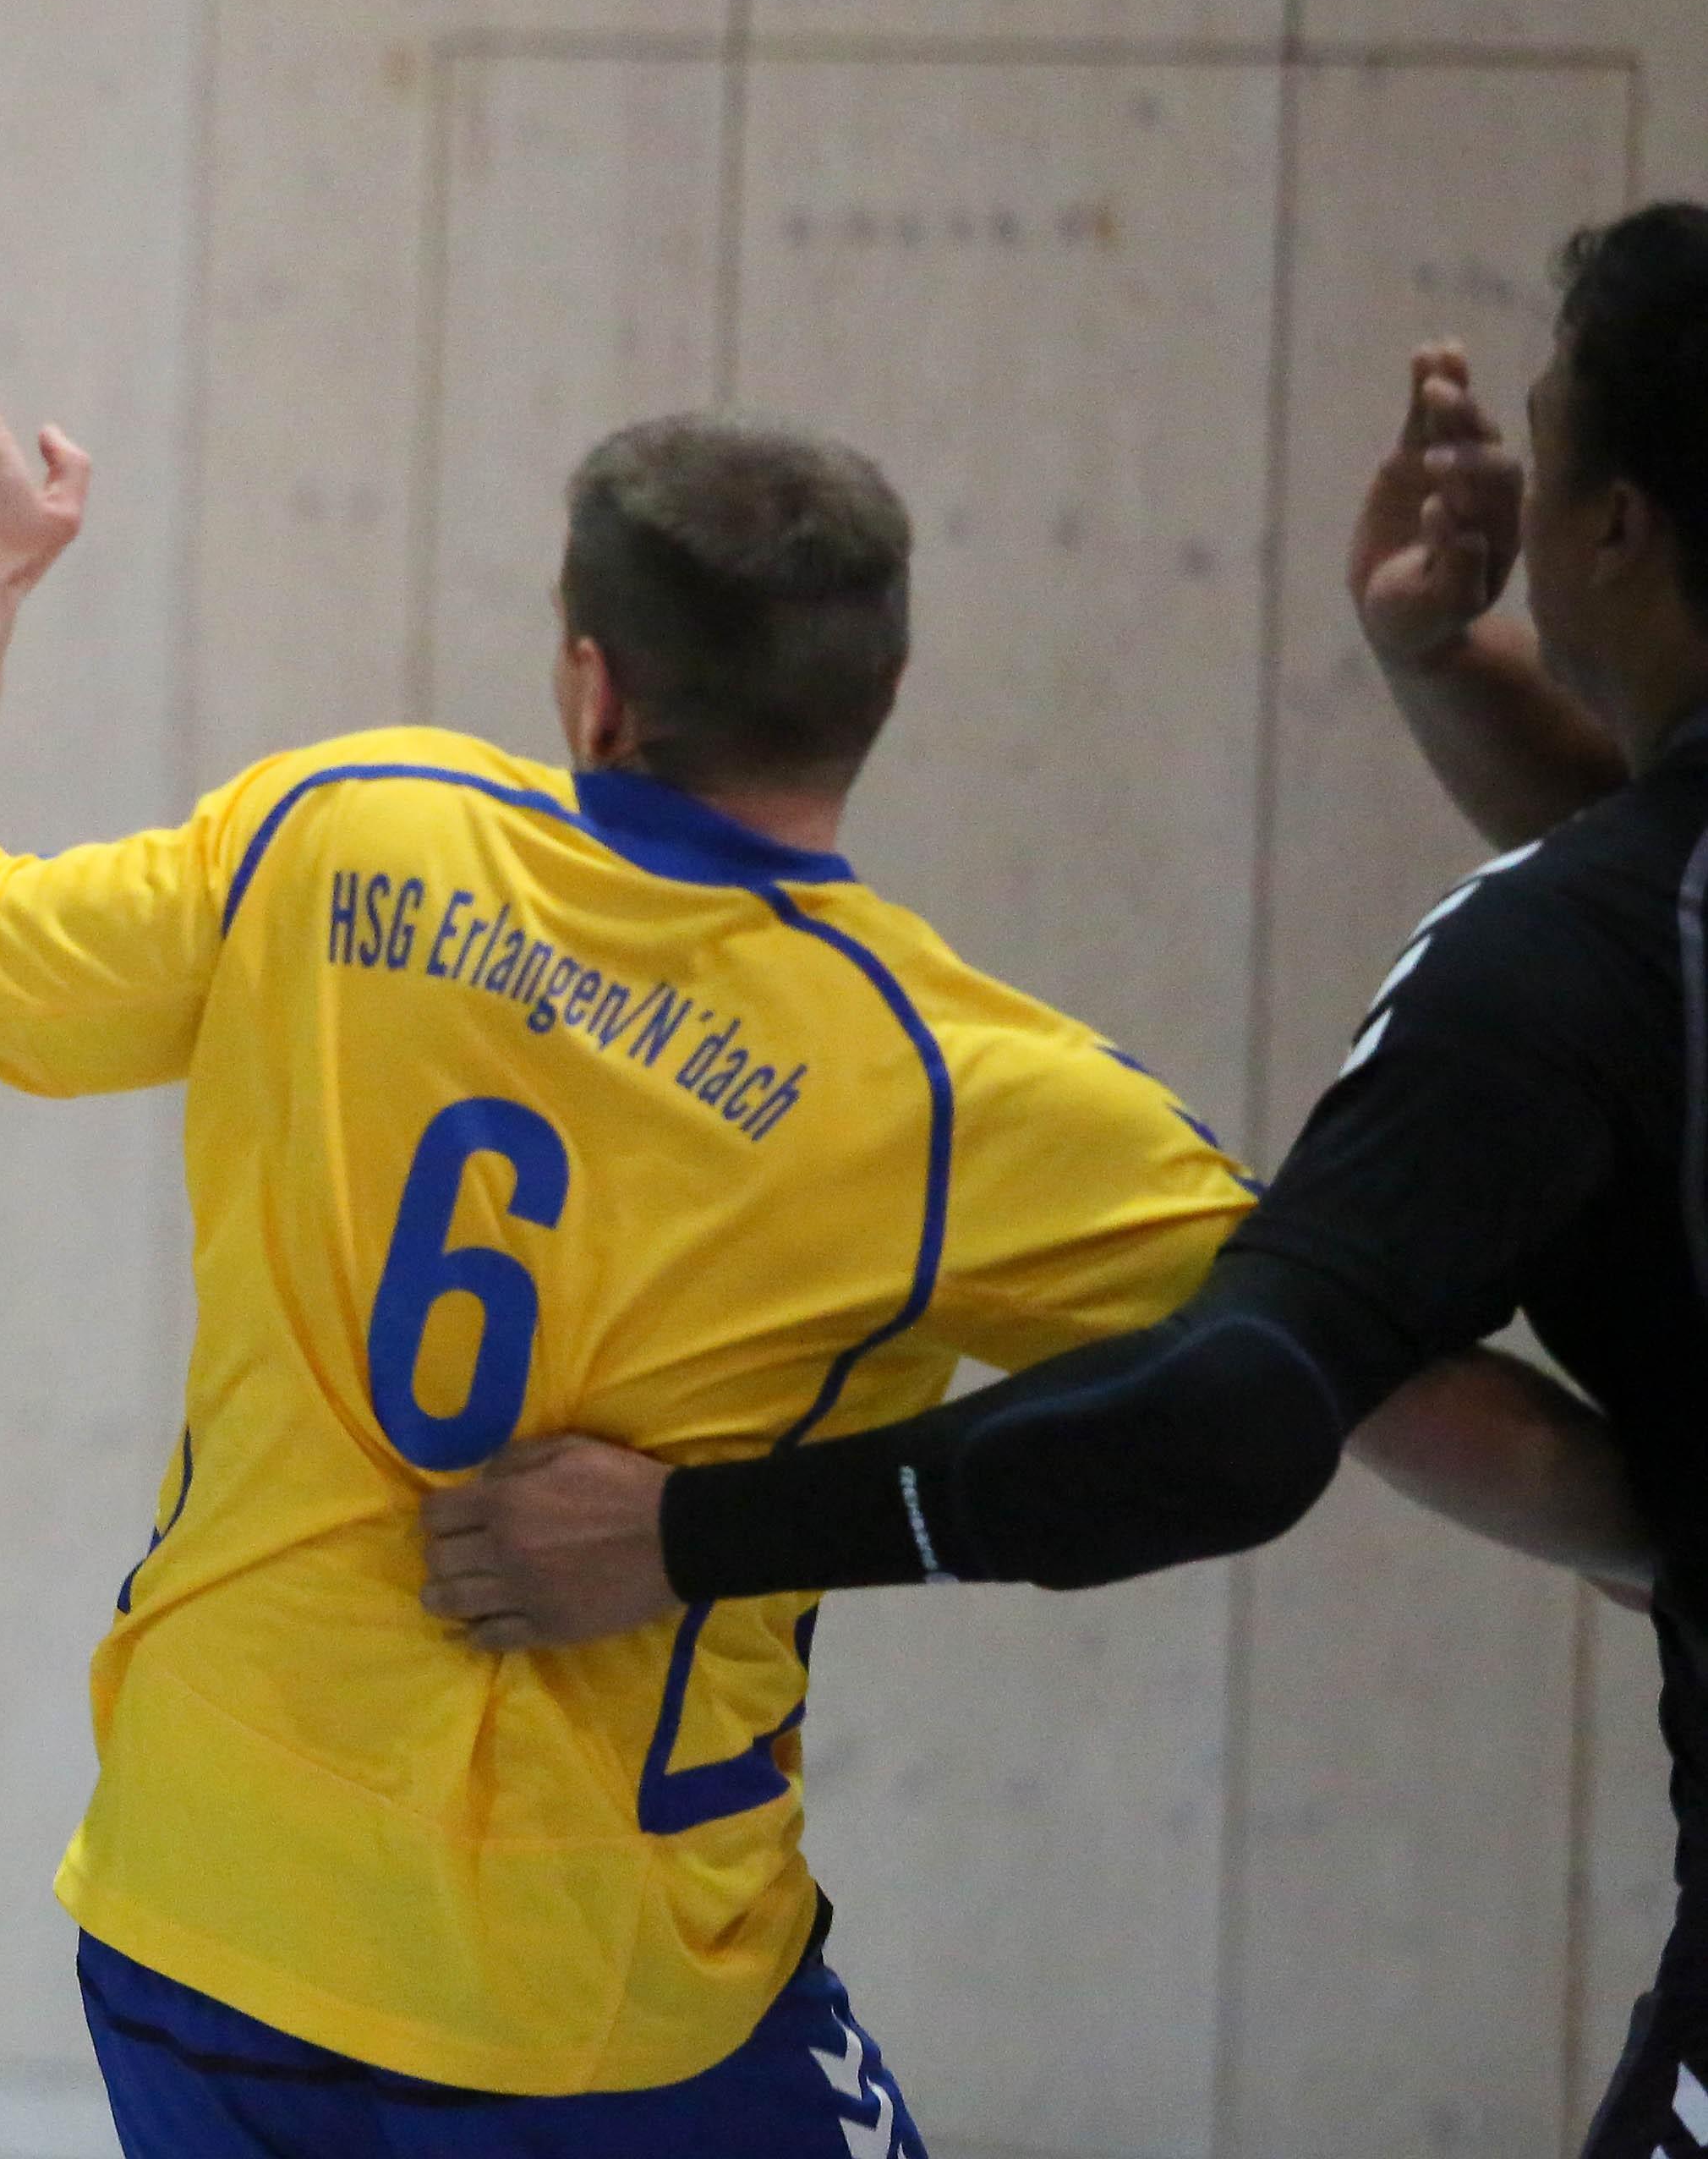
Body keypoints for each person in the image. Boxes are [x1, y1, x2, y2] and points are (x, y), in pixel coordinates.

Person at [0, 382, 1283, 2151]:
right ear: (879, 700)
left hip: (197, 1897)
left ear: (594, 680)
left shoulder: (342, 828)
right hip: (592, 1988)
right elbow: (1308, 1378)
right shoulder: (947, 1084)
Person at [415, 203, 1708, 2159]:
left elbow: (1232, 1415)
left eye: (1550, 457)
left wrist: (692, 1539)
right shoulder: (1605, 933)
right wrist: (1439, 659)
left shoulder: (1528, 968)